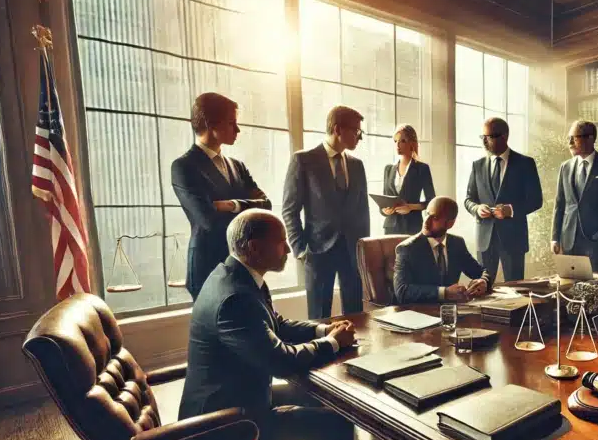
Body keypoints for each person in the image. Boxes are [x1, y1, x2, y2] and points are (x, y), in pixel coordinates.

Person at [177, 209, 374, 440]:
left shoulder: (235, 276)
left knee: (326, 401)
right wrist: (330, 343)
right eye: (281, 242)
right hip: (225, 428)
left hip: (231, 400)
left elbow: (276, 326)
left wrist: (324, 329)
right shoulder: (236, 298)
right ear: (254, 247)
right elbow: (281, 361)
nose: (287, 249)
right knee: (335, 425)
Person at [171, 92, 271, 299]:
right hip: (208, 267)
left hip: (245, 266)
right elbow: (208, 220)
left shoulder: (238, 166)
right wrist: (248, 210)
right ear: (210, 124)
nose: (238, 130)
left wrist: (232, 205)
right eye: (231, 123)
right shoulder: (184, 167)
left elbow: (266, 206)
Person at [282, 105, 369, 318]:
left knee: (356, 315)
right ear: (338, 129)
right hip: (317, 250)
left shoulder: (357, 165)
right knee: (319, 318)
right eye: (357, 131)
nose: (360, 137)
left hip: (351, 252)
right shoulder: (304, 160)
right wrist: (300, 249)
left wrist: (362, 248)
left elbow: (362, 211)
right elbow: (290, 209)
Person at [464, 117, 543, 282]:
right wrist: (477, 209)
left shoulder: (525, 164)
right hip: (485, 238)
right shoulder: (477, 165)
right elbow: (469, 200)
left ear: (504, 136)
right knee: (483, 288)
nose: (484, 141)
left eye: (489, 136)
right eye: (482, 137)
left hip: (513, 238)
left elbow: (536, 200)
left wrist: (512, 210)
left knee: (515, 288)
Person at [550, 120, 598, 273]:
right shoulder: (565, 167)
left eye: (575, 137)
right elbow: (560, 204)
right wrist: (555, 237)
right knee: (568, 286)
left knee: (593, 287)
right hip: (568, 238)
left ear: (590, 138)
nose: (570, 142)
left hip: (595, 239)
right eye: (569, 138)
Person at [393, 196, 491, 304]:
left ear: (450, 223)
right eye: (427, 214)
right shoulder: (407, 249)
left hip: (451, 312)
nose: (426, 221)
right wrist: (444, 292)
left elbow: (481, 271)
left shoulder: (456, 244)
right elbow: (402, 292)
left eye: (435, 218)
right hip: (418, 313)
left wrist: (483, 282)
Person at [381, 124, 436, 235]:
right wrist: (385, 210)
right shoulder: (388, 169)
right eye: (395, 141)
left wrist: (410, 207)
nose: (398, 145)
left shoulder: (422, 168)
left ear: (412, 143)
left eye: (403, 141)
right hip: (390, 227)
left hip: (412, 226)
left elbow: (431, 201)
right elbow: (383, 201)